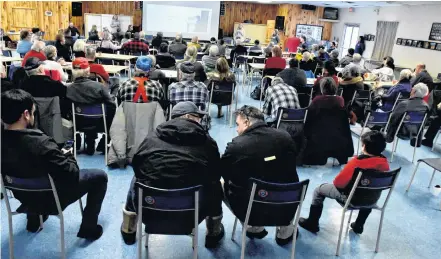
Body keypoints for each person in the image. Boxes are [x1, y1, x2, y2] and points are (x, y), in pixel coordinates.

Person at [1, 89, 108, 239]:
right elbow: (71, 174)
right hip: (51, 199)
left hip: (22, 196)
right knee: (100, 176)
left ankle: (33, 220)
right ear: (26, 114)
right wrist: (68, 155)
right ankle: (88, 228)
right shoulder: (42, 144)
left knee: (27, 172)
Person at [121, 101, 225, 247]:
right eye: (198, 117)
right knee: (214, 185)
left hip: (151, 211)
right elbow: (216, 173)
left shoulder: (152, 138)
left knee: (137, 180)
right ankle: (213, 232)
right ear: (188, 116)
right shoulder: (207, 142)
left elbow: (137, 165)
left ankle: (128, 229)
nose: (200, 121)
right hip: (192, 214)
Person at [221, 105, 300, 245]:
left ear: (246, 122)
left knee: (218, 185)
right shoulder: (285, 137)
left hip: (253, 209)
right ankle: (285, 232)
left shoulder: (236, 146)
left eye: (238, 124)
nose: (237, 129)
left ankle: (254, 227)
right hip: (286, 206)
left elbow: (224, 173)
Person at [299, 130, 389, 234]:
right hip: (372, 200)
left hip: (351, 199)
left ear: (363, 146)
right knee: (368, 191)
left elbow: (338, 183)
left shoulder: (356, 162)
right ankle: (359, 225)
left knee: (319, 190)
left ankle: (312, 223)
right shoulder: (385, 164)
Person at [66, 58, 116, 155]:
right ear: (87, 71)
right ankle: (103, 143)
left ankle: (78, 142)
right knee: (112, 112)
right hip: (100, 123)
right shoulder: (99, 87)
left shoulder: (68, 89)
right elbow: (112, 105)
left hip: (78, 123)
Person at [302, 78, 354, 165]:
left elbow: (309, 118)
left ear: (322, 89)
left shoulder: (317, 100)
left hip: (319, 137)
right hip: (338, 136)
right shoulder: (340, 100)